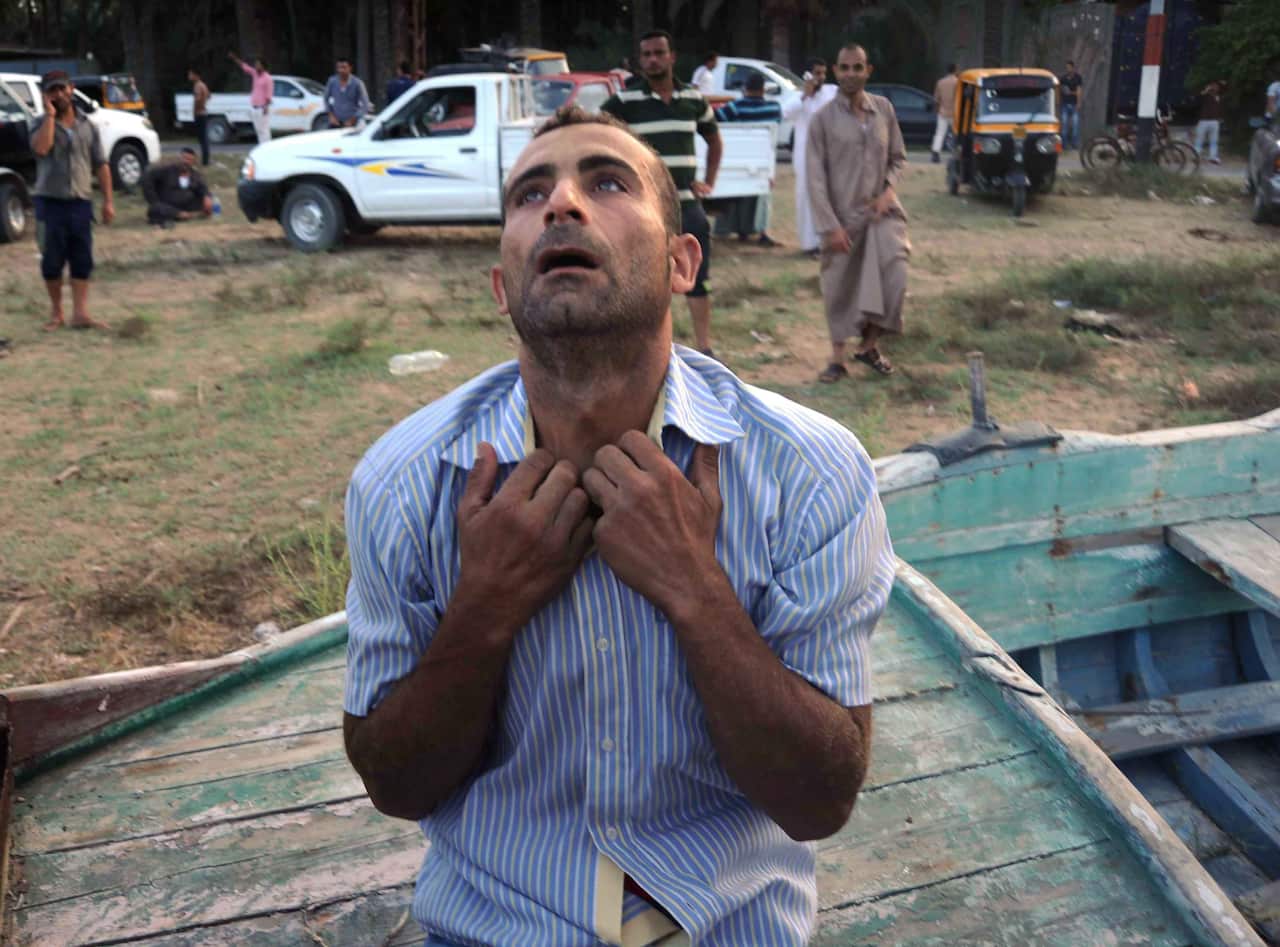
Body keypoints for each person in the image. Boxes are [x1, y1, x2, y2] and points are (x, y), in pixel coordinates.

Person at [342, 103, 891, 947]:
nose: (561, 204)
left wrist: (696, 588)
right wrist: (484, 606)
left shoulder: (811, 472)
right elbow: (396, 784)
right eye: (530, 195)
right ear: (502, 285)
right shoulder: (405, 479)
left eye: (605, 182)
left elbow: (820, 800)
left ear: (682, 263)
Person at [602, 30, 722, 357]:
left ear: (672, 57)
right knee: (639, 278)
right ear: (640, 61)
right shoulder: (625, 102)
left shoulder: (694, 100)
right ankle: (643, 349)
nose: (653, 60)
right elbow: (597, 134)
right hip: (645, 210)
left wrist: (708, 181)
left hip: (688, 205)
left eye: (658, 53)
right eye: (647, 55)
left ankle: (705, 349)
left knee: (698, 276)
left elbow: (714, 139)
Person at [807, 43, 909, 382]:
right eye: (845, 68)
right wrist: (830, 226)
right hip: (841, 220)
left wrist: (887, 192)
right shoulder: (822, 120)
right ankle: (837, 359)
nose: (851, 74)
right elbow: (815, 177)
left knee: (894, 275)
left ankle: (869, 344)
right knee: (841, 288)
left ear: (869, 71)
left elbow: (897, 158)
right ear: (836, 72)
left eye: (858, 67)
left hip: (882, 215)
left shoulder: (884, 109)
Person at [30, 70, 114, 332]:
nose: (57, 94)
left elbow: (101, 165)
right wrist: (50, 117)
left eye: (61, 89)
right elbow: (41, 149)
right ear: (45, 95)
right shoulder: (39, 123)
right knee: (52, 261)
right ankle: (57, 314)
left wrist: (108, 201)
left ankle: (80, 313)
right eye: (51, 91)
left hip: (80, 202)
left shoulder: (87, 125)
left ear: (71, 89)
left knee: (81, 259)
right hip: (50, 203)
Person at [713, 72, 782, 246]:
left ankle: (733, 228)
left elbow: (715, 119)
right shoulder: (774, 108)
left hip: (737, 162)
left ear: (745, 88)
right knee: (763, 190)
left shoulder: (734, 108)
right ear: (762, 89)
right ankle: (762, 231)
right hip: (763, 165)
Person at [782, 58, 837, 257]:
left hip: (829, 156)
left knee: (829, 199)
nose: (820, 77)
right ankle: (809, 245)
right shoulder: (798, 98)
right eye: (816, 73)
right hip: (805, 158)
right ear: (808, 75)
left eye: (823, 73)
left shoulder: (832, 92)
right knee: (806, 199)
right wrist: (805, 94)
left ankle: (826, 242)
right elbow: (786, 112)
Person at [142, 147, 212, 226]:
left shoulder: (195, 175)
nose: (186, 161)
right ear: (179, 158)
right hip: (167, 206)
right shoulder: (166, 171)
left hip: (187, 205)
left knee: (206, 202)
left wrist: (207, 196)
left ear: (193, 162)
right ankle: (181, 215)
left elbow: (203, 188)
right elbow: (147, 178)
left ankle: (186, 215)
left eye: (189, 160)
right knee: (155, 209)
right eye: (184, 158)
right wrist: (153, 199)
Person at [228, 52, 272, 143]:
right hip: (254, 107)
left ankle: (266, 148)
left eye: (258, 64)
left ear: (263, 66)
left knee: (264, 130)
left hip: (262, 108)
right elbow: (244, 66)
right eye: (255, 64)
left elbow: (269, 94)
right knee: (258, 130)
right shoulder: (255, 74)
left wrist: (266, 107)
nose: (256, 66)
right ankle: (261, 148)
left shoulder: (267, 78)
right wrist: (234, 58)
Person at [326, 57, 372, 128]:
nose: (341, 70)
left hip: (353, 123)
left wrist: (353, 119)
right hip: (335, 122)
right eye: (338, 67)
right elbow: (325, 99)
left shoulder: (357, 83)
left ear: (350, 68)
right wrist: (331, 115)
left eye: (344, 67)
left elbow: (366, 104)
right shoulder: (332, 81)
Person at [931, 63, 958, 163]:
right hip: (955, 112)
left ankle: (935, 153)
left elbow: (936, 99)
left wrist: (937, 109)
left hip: (942, 111)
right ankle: (956, 153)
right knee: (956, 134)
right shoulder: (957, 82)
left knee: (939, 133)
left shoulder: (940, 82)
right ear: (955, 70)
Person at [1194, 80, 1224, 165]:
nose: (1215, 87)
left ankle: (1213, 156)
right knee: (1199, 139)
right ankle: (1196, 154)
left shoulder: (1218, 96)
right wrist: (1206, 90)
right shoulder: (1205, 96)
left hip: (1214, 121)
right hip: (1203, 120)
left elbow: (1220, 108)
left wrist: (1220, 118)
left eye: (1216, 86)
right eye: (1213, 86)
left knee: (1214, 140)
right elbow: (1197, 99)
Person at [188, 67, 211, 166]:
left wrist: (196, 109)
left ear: (196, 75)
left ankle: (205, 161)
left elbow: (197, 99)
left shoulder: (197, 86)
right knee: (204, 138)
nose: (189, 76)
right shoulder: (203, 85)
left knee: (202, 138)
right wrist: (204, 103)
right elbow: (209, 95)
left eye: (191, 74)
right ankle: (206, 159)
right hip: (204, 112)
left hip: (200, 113)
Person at [1059, 60, 1082, 150]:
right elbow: (1061, 90)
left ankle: (1074, 144)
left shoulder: (1078, 78)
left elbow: (1079, 91)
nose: (1068, 69)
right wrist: (1059, 101)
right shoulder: (1063, 78)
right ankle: (1064, 145)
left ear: (1073, 68)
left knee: (1075, 124)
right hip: (1065, 103)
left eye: (1069, 67)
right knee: (1064, 125)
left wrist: (1079, 102)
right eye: (1066, 67)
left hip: (1074, 103)